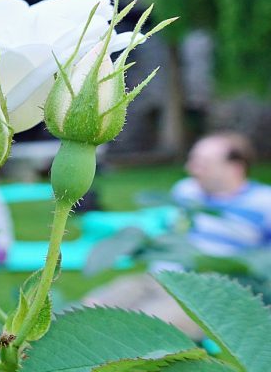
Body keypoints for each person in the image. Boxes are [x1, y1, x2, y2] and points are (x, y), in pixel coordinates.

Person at [84, 132, 271, 339]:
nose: (191, 169)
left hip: (206, 290)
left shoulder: (264, 202)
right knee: (89, 311)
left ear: (235, 167)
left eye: (203, 163)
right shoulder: (187, 191)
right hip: (158, 276)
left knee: (140, 334)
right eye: (193, 160)